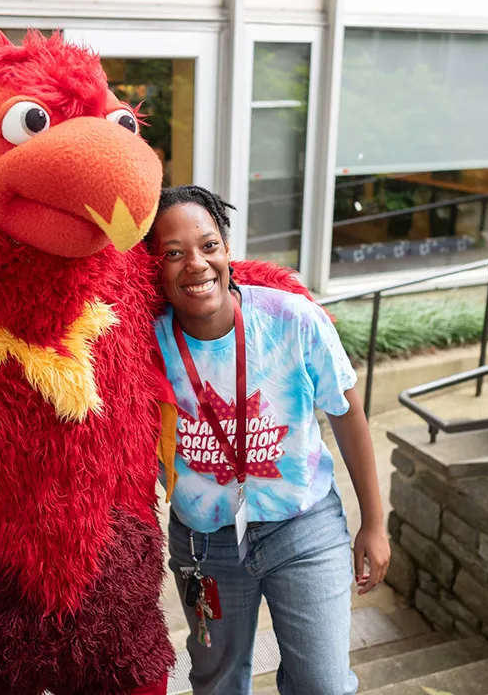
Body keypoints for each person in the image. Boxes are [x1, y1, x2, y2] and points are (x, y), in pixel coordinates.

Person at [149, 185, 391, 695]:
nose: (196, 264)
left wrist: (374, 521)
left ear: (227, 250)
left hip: (303, 527)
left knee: (322, 685)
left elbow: (347, 415)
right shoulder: (145, 344)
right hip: (204, 544)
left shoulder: (292, 319)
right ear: (153, 266)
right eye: (173, 253)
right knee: (217, 684)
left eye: (209, 245)